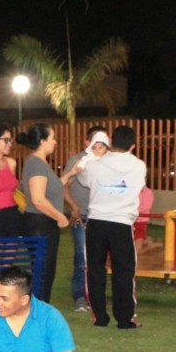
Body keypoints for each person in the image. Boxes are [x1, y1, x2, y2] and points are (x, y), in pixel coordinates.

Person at [74, 125, 147, 329]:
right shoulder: (139, 166)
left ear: (111, 142)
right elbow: (139, 186)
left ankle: (99, 317)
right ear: (133, 145)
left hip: (96, 222)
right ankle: (125, 319)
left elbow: (82, 178)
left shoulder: (95, 165)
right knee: (124, 271)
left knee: (95, 270)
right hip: (122, 223)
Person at [17, 123, 69, 303]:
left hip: (42, 224)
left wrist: (71, 174)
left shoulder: (39, 163)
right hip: (40, 224)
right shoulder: (35, 163)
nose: (55, 142)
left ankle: (39, 311)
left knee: (45, 273)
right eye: (52, 138)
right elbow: (38, 200)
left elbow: (49, 190)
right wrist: (60, 217)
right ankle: (37, 314)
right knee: (43, 274)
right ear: (42, 141)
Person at [63, 127, 109, 312]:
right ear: (88, 143)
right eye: (95, 144)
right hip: (82, 216)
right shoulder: (79, 160)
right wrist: (74, 207)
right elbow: (65, 184)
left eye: (103, 144)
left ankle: (95, 295)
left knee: (99, 258)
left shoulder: (110, 161)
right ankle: (80, 296)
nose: (99, 148)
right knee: (82, 258)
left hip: (103, 216)